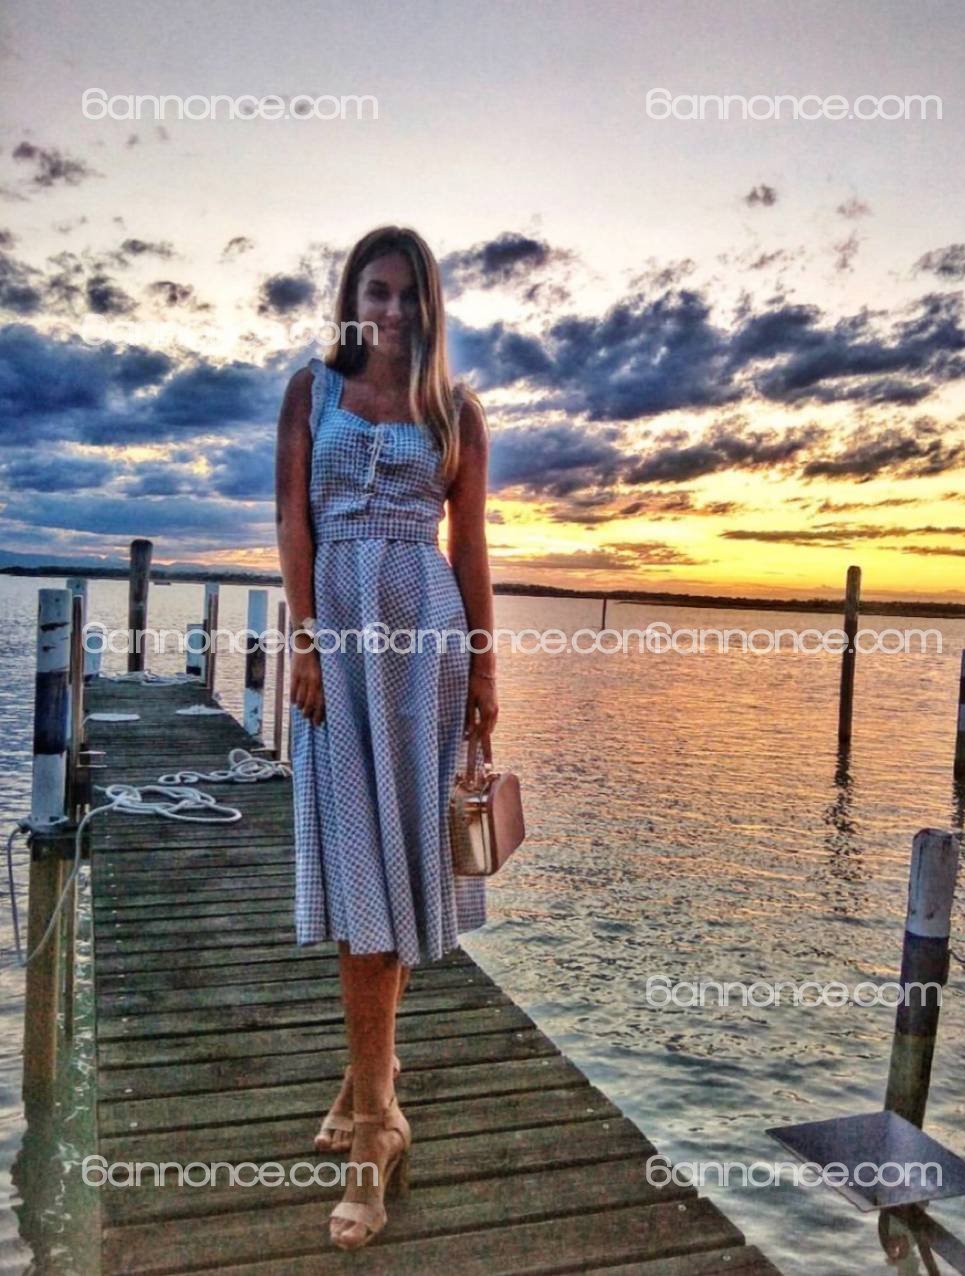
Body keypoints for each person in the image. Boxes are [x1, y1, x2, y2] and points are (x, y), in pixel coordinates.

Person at [274, 225, 497, 1249]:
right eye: (377, 290)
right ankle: (377, 1102)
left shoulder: (454, 411)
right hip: (339, 650)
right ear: (352, 299)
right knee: (358, 870)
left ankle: (373, 1114)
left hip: (425, 650)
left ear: (429, 303)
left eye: (410, 293)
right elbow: (293, 522)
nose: (394, 309)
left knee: (399, 867)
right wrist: (306, 640)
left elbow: (471, 546)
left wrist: (486, 672)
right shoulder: (311, 392)